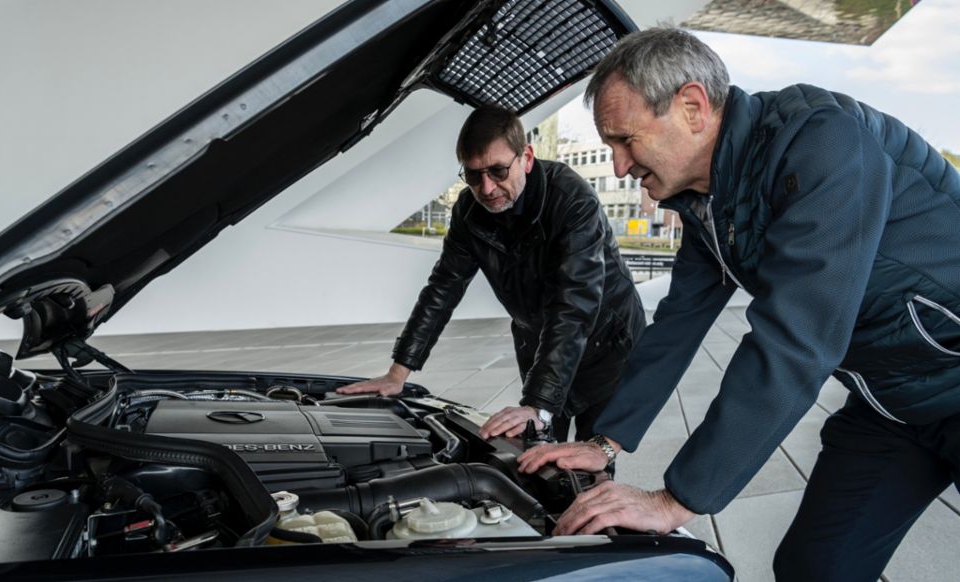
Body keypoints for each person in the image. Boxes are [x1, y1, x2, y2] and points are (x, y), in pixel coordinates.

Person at [517, 28, 960, 582]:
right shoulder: (709, 201)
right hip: (890, 402)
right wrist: (605, 442)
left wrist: (676, 499)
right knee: (814, 568)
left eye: (625, 140)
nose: (619, 167)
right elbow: (677, 322)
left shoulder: (824, 141)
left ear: (692, 107)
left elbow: (797, 338)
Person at [338, 105, 644, 442]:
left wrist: (539, 405)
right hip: (539, 341)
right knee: (536, 448)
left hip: (605, 344)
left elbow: (575, 305)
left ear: (526, 158)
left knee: (589, 456)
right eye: (473, 175)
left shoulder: (572, 199)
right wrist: (397, 373)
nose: (486, 188)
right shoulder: (468, 211)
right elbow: (443, 288)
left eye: (498, 171)